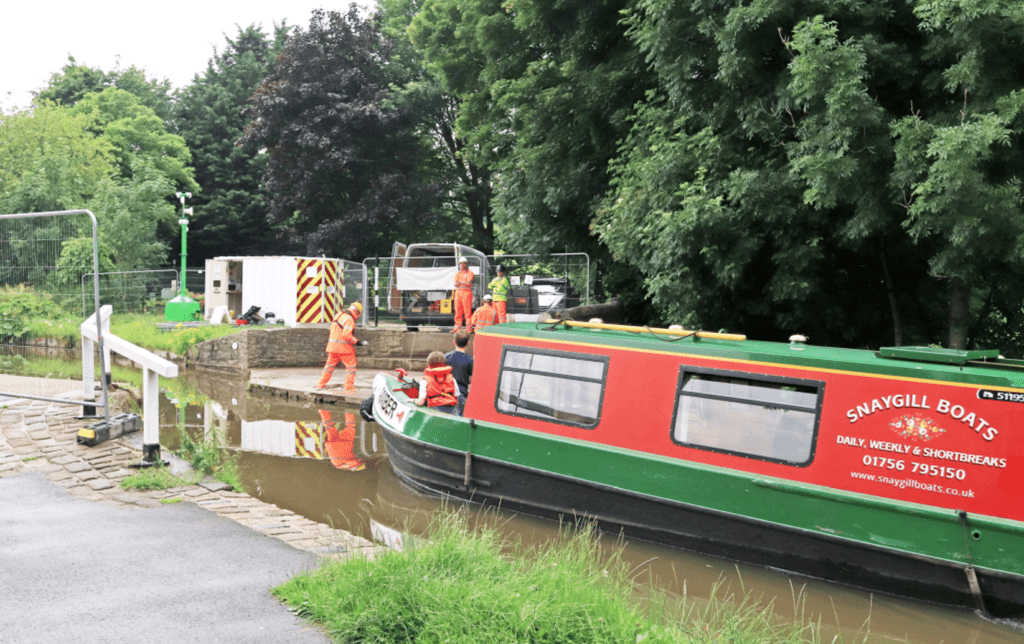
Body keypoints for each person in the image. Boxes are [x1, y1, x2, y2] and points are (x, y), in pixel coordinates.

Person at [315, 301, 366, 391]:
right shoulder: (350, 319)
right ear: (357, 312)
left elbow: (333, 329)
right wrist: (357, 342)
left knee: (328, 367)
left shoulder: (338, 315)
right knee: (351, 367)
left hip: (332, 347)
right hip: (344, 349)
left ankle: (320, 385)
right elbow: (346, 335)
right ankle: (349, 387)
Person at [445, 331, 473, 416]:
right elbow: (472, 379)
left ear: (454, 342)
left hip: (446, 392)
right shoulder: (470, 360)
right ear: (468, 343)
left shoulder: (446, 356)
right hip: (461, 393)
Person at [452, 257, 475, 333]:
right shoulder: (457, 273)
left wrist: (460, 282)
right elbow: (455, 284)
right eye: (461, 263)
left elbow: (469, 282)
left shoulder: (469, 272)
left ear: (466, 264)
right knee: (458, 311)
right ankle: (457, 328)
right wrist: (462, 282)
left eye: (463, 263)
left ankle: (468, 328)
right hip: (458, 293)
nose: (462, 265)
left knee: (467, 312)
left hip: (466, 293)